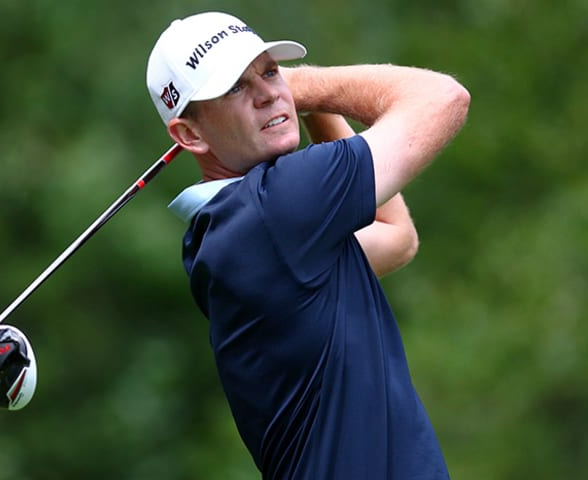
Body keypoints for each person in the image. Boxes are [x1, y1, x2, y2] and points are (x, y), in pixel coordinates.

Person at [146, 11, 470, 479]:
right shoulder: (275, 206)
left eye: (269, 71)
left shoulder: (229, 232)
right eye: (235, 87)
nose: (267, 93)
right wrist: (306, 88)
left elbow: (396, 238)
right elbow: (444, 98)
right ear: (190, 134)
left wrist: (302, 106)